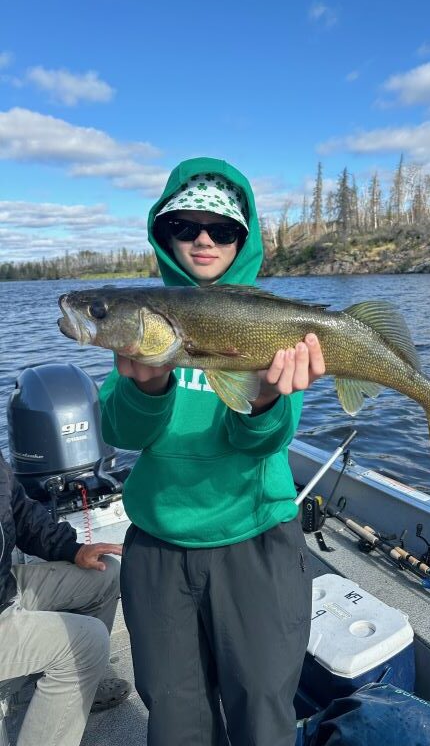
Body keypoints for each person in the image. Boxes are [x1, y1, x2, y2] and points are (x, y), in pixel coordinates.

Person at [99, 157, 325, 746]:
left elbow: (266, 441)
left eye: (222, 229)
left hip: (257, 542)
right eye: (186, 225)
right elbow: (121, 429)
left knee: (261, 709)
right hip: (160, 546)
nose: (203, 238)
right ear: (164, 232)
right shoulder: (148, 318)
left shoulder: (275, 322)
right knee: (175, 717)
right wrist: (147, 385)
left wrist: (266, 399)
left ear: (242, 237)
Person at [0, 449, 131, 746]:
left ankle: (83, 688)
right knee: (85, 644)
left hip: (5, 588)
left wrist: (72, 550)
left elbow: (20, 513)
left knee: (103, 574)